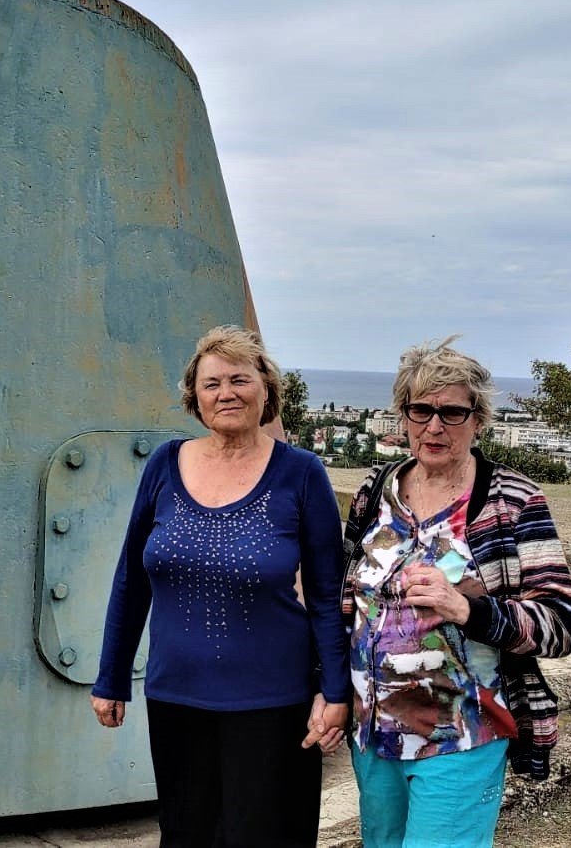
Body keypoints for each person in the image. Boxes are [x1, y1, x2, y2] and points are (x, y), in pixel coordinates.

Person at [91, 325, 350, 847]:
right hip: (175, 697)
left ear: (266, 390)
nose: (226, 393)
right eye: (211, 384)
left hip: (273, 703)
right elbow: (131, 581)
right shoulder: (164, 465)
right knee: (185, 836)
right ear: (195, 397)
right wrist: (111, 678)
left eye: (239, 379)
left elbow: (328, 595)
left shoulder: (301, 473)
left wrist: (336, 691)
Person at [341, 337, 571, 848]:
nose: (434, 426)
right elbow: (345, 598)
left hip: (460, 736)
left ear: (478, 420)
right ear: (403, 415)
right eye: (421, 410)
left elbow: (562, 623)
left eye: (452, 412)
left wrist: (466, 609)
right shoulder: (376, 490)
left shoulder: (512, 501)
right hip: (372, 735)